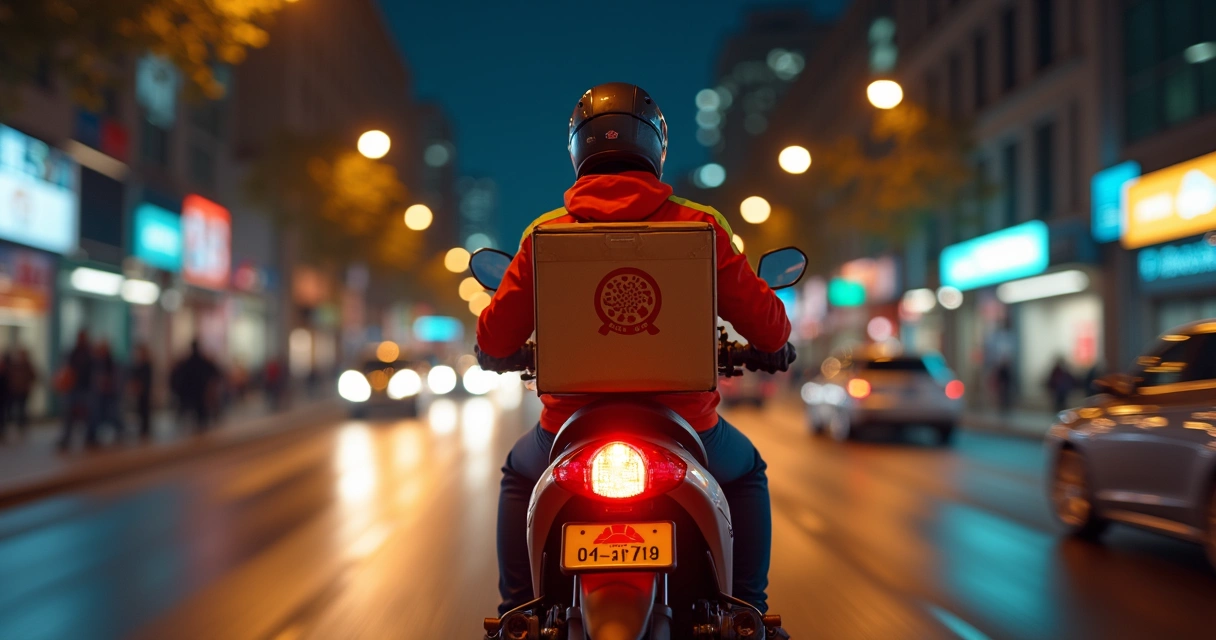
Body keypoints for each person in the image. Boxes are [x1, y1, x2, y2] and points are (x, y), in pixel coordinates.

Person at [476, 83, 795, 617]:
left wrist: (501, 351)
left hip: (567, 429)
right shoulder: (701, 224)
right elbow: (771, 328)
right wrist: (772, 348)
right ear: (655, 146)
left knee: (517, 473)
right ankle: (749, 613)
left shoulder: (544, 234)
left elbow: (493, 340)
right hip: (689, 428)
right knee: (746, 473)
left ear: (577, 149)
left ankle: (517, 613)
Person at [57, 330, 95, 450]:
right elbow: (66, 368)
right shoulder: (73, 352)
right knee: (69, 414)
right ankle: (67, 437)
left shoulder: (90, 352)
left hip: (86, 388)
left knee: (87, 415)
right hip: (73, 388)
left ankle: (89, 436)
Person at [171, 340, 219, 432]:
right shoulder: (201, 361)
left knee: (195, 412)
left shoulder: (188, 362)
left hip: (193, 390)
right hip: (200, 390)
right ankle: (202, 431)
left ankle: (200, 431)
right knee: (200, 414)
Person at [86, 340, 125, 444]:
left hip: (111, 394)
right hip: (98, 394)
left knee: (113, 413)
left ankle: (119, 431)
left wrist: (110, 384)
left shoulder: (112, 363)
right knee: (95, 413)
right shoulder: (95, 362)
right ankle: (92, 435)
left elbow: (117, 379)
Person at [9, 348, 37, 436]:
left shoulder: (27, 365)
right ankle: (19, 423)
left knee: (22, 408)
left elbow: (33, 376)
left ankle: (22, 424)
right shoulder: (14, 365)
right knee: (18, 407)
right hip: (15, 390)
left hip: (24, 390)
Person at [129, 344, 154, 440]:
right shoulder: (139, 365)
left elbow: (147, 379)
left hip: (145, 391)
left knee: (145, 411)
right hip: (140, 391)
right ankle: (143, 428)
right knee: (140, 410)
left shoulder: (147, 365)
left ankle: (145, 429)